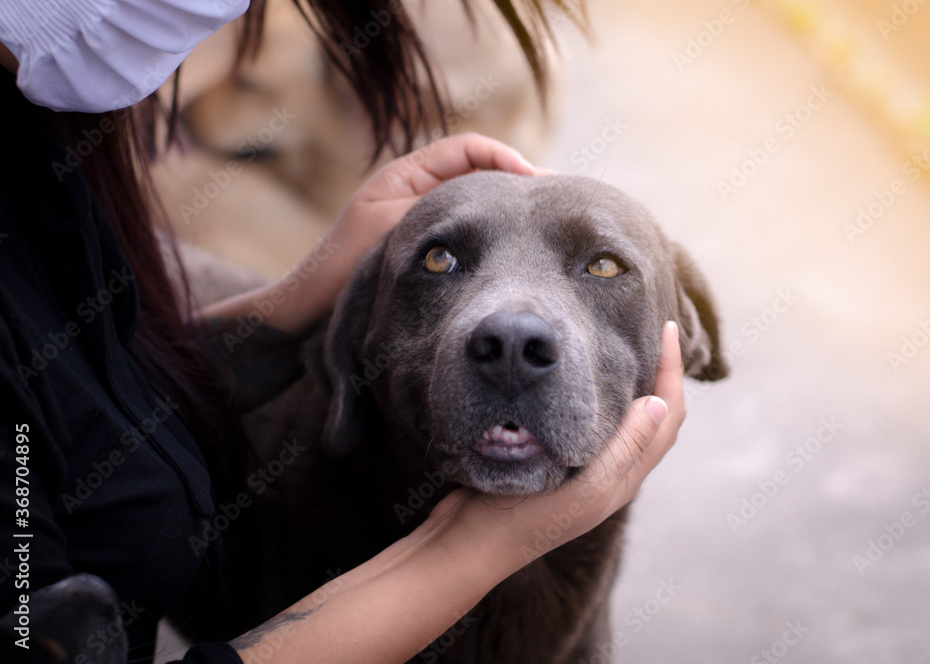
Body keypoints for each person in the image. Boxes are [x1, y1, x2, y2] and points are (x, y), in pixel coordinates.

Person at [0, 1, 686, 663]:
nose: (514, 331)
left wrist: (303, 292)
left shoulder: (41, 165)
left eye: (603, 267)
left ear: (688, 338)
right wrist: (472, 551)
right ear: (347, 352)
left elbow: (77, 404)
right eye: (441, 260)